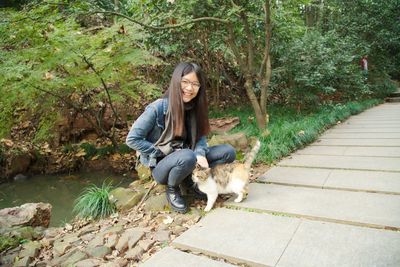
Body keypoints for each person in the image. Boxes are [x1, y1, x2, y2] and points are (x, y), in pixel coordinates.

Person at [126, 62, 236, 213]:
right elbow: (132, 139)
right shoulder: (157, 108)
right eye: (185, 82)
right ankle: (172, 189)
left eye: (195, 84)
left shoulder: (194, 108)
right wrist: (160, 151)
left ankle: (194, 183)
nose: (190, 88)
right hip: (161, 165)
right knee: (187, 156)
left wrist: (200, 154)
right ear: (176, 81)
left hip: (187, 158)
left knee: (228, 151)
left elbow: (200, 138)